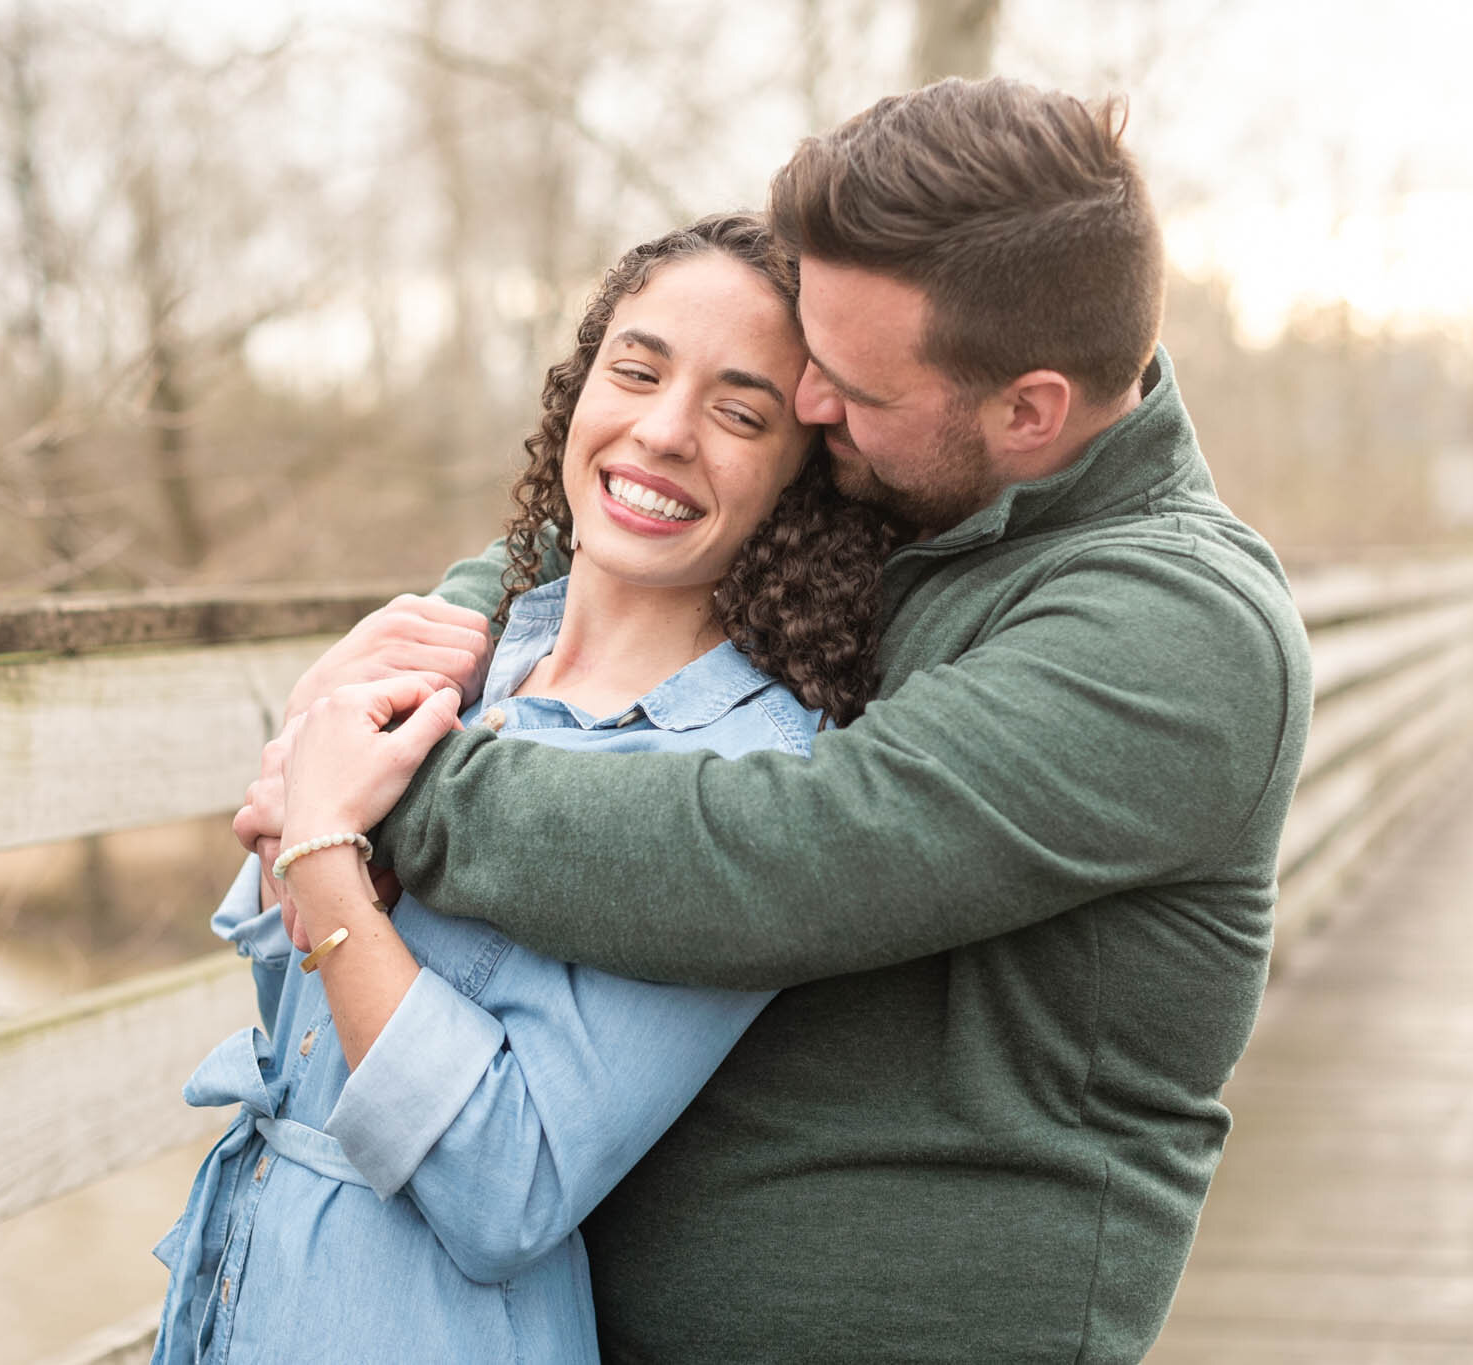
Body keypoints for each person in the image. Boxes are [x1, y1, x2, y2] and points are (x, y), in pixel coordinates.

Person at [258, 77, 1317, 1363]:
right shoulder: (921, 486)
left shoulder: (1173, 628)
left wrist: (383, 788)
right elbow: (634, 518)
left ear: (1028, 410)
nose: (815, 409)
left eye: (853, 387)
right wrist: (441, 627)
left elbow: (794, 853)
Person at [149, 212, 892, 1365]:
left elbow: (507, 1184)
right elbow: (304, 1036)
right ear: (578, 382)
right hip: (243, 1292)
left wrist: (321, 847)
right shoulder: (470, 659)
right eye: (634, 370)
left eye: (737, 413)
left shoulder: (748, 778)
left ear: (798, 481)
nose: (660, 431)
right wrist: (308, 747)